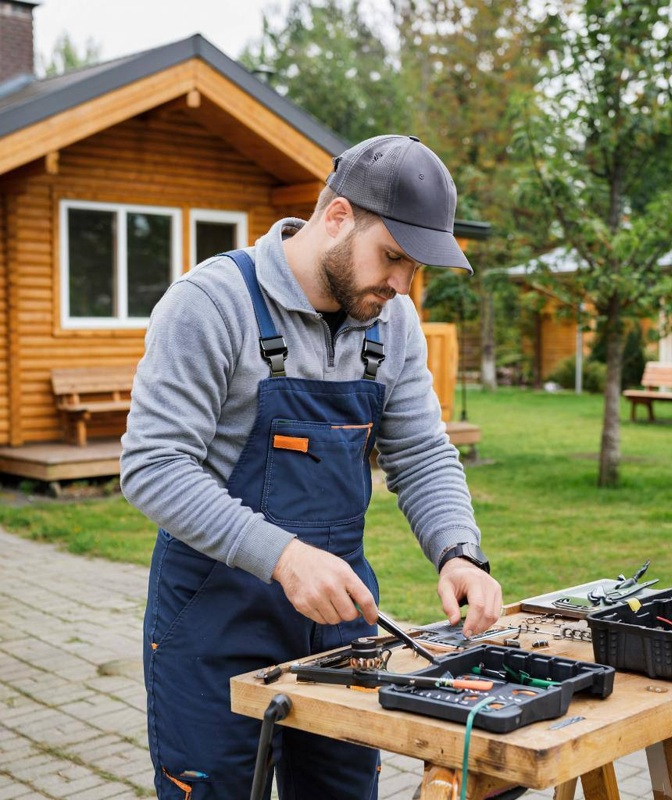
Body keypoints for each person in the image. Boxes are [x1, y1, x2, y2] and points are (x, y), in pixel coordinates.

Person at [120, 133, 503, 800]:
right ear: (335, 217)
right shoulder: (211, 305)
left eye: (413, 268)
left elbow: (419, 451)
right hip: (213, 627)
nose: (400, 285)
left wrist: (458, 552)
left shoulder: (394, 323)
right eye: (392, 257)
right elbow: (155, 465)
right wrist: (284, 556)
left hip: (341, 634)